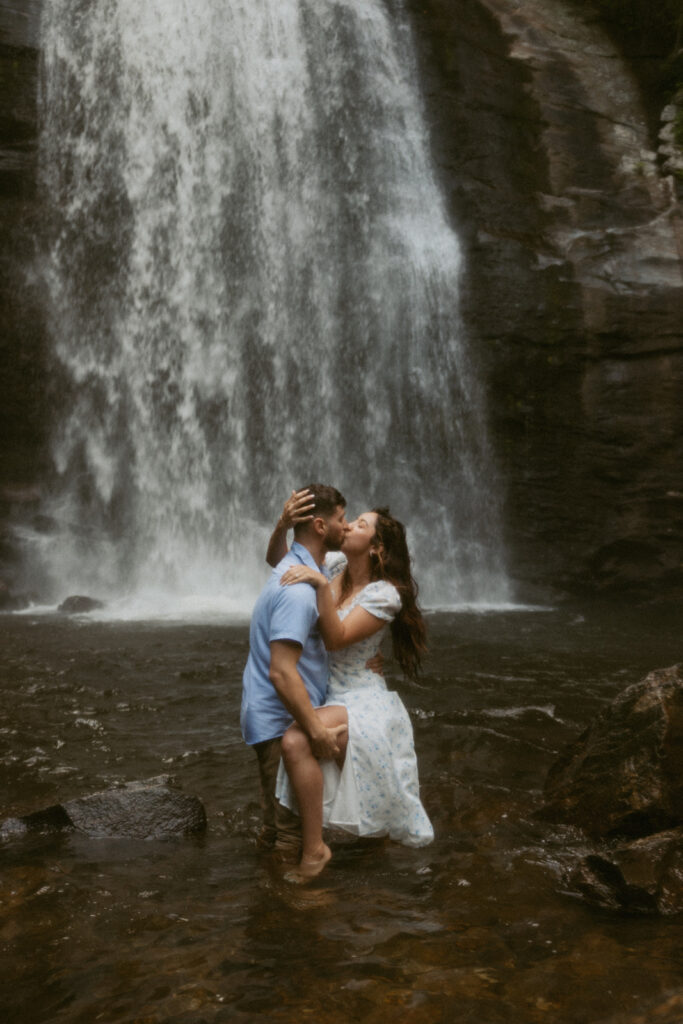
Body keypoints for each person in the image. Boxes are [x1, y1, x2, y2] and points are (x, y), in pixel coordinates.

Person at [272, 503, 434, 880]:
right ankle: (347, 855)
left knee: (296, 741)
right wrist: (282, 526)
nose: (346, 526)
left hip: (362, 699)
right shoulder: (337, 568)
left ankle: (314, 851)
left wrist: (316, 585)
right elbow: (280, 563)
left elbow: (336, 638)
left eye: (359, 524)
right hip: (331, 693)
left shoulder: (385, 594)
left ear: (376, 548)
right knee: (303, 742)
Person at [240, 483, 349, 862]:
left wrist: (281, 526)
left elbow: (274, 556)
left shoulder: (298, 568)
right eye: (341, 519)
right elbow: (282, 673)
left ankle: (269, 903)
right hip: (279, 720)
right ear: (320, 526)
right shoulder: (298, 590)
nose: (347, 527)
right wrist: (317, 732)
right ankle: (293, 908)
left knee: (275, 827)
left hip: (269, 715)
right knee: (291, 837)